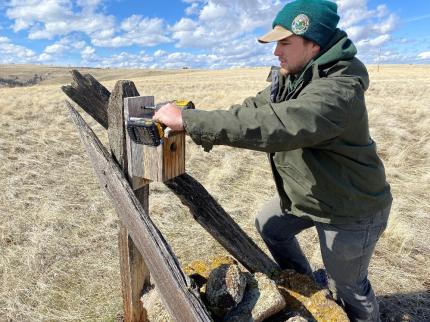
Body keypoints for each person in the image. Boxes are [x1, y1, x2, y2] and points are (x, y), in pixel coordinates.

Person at [153, 0, 392, 321]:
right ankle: (303, 287)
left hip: (352, 208)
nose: (276, 51)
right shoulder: (293, 76)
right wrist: (194, 118)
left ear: (314, 44)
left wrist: (190, 120)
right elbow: (255, 110)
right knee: (270, 225)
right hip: (311, 195)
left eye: (284, 42)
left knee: (348, 286)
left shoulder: (339, 90)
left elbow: (280, 124)